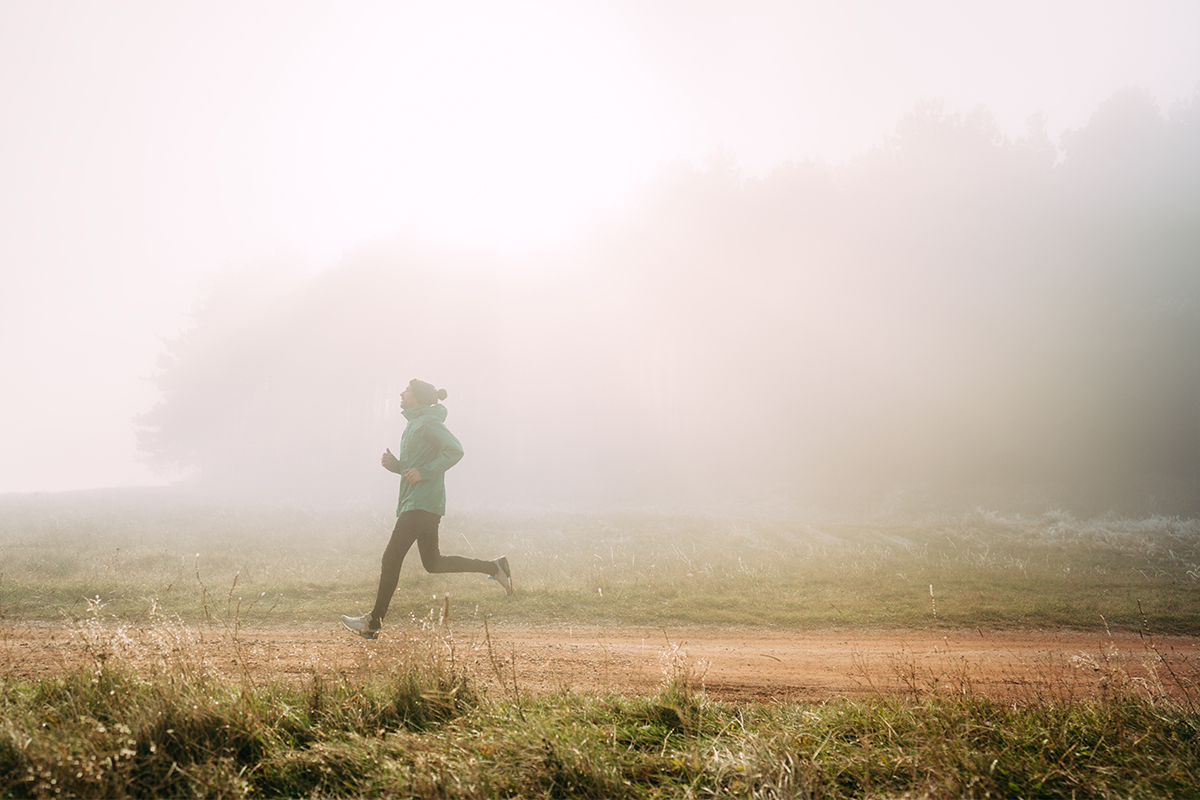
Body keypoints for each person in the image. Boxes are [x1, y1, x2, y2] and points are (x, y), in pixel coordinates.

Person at [341, 379, 512, 639]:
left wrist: (426, 472)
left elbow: (455, 450)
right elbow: (415, 466)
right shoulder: (413, 424)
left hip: (422, 503)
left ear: (417, 396)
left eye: (406, 391)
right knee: (433, 563)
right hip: (419, 502)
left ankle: (373, 623)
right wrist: (397, 465)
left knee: (391, 558)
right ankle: (495, 567)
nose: (401, 393)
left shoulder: (429, 422)